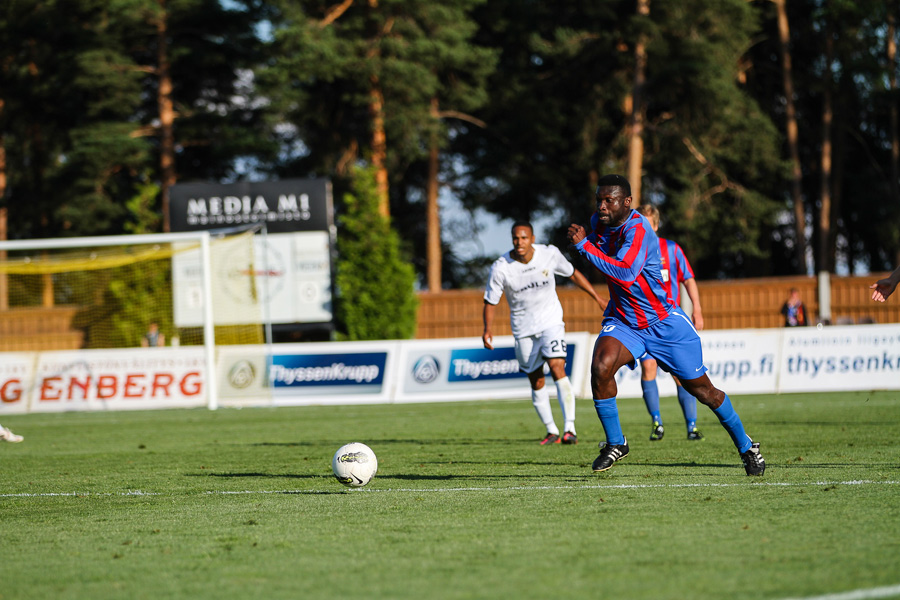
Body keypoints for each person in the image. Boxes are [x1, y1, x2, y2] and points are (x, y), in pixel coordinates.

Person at [566, 174, 764, 475]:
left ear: (627, 202)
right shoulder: (599, 223)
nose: (602, 206)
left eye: (610, 200)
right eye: (599, 199)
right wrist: (587, 241)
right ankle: (616, 442)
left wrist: (584, 247)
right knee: (600, 366)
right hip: (624, 321)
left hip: (663, 324)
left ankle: (747, 446)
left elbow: (625, 272)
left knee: (704, 392)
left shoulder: (640, 229)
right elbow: (598, 247)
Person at [483, 221, 607, 445]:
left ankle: (570, 428)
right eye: (516, 238)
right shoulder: (501, 266)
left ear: (532, 238)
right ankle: (551, 430)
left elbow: (573, 274)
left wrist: (597, 297)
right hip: (523, 329)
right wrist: (487, 329)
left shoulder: (549, 254)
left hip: (551, 322)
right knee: (536, 379)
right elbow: (491, 301)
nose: (520, 242)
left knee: (557, 366)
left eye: (524, 238)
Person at [634, 204, 704, 442]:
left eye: (648, 223)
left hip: (670, 322)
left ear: (655, 225)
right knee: (648, 368)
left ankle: (691, 426)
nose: (643, 228)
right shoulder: (631, 251)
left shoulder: (671, 249)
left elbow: (689, 279)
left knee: (680, 374)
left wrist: (698, 308)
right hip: (644, 321)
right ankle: (657, 423)